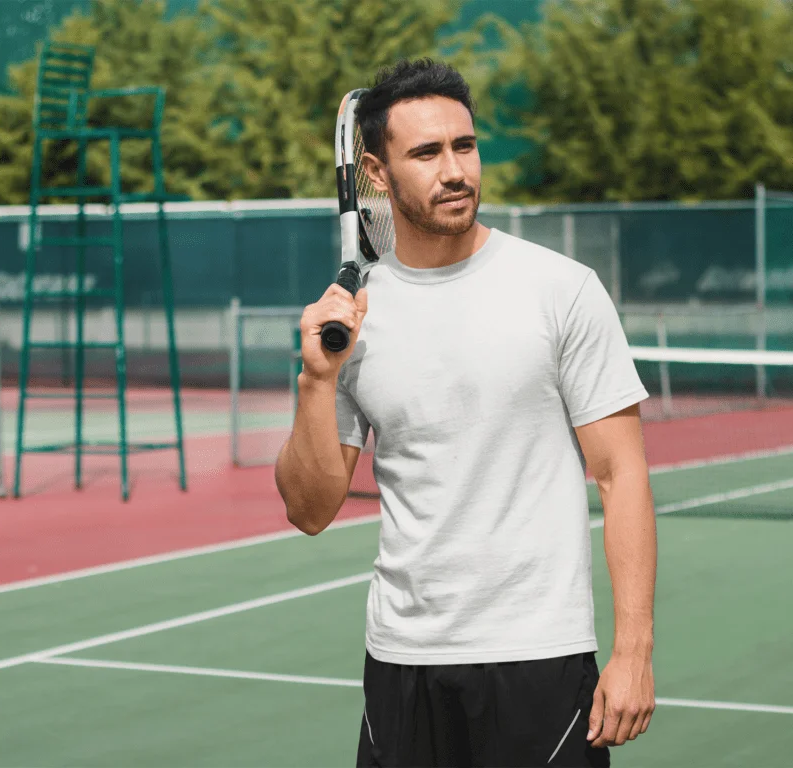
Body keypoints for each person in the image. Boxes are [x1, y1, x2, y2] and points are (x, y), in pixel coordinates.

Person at [275, 59, 657, 768]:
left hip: (539, 658)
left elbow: (621, 474)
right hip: (401, 664)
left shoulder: (562, 290)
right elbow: (309, 508)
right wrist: (316, 382)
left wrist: (633, 651)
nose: (455, 170)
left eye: (465, 146)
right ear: (376, 174)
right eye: (426, 152)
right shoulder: (355, 319)